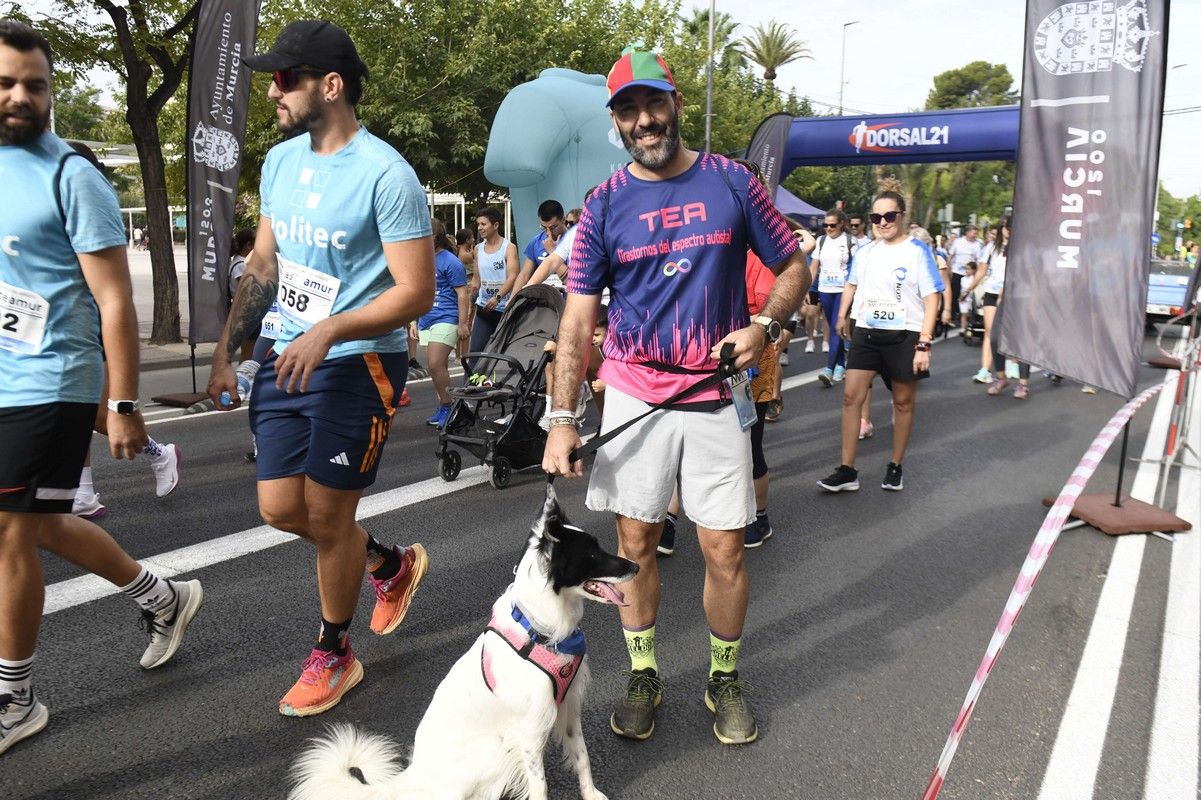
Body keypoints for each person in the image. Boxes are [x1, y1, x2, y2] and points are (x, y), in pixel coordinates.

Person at [542, 44, 809, 746]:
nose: (643, 121)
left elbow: (792, 266)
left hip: (716, 396)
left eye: (652, 104)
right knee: (633, 544)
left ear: (676, 104)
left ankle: (723, 677)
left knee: (723, 550)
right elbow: (576, 320)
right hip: (633, 394)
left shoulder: (732, 182)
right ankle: (644, 673)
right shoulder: (602, 205)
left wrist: (764, 325)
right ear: (618, 120)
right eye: (627, 109)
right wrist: (561, 418)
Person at [206, 19, 434, 717]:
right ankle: (388, 565)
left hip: (357, 362)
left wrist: (330, 328)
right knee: (280, 509)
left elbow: (414, 291)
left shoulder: (386, 175)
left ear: (329, 86)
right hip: (284, 352)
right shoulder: (279, 163)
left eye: (283, 79)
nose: (271, 94)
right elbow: (267, 265)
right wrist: (227, 348)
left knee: (327, 513)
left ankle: (334, 651)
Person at [0, 20, 203, 755]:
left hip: (50, 377)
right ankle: (164, 596)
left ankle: (13, 699)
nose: (23, 96)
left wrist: (121, 403)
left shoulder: (70, 175)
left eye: (35, 84)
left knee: (10, 531)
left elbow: (115, 300)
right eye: (6, 83)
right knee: (43, 524)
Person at [818, 186, 942, 493]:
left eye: (889, 215)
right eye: (876, 216)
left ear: (901, 216)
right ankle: (847, 470)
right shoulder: (865, 251)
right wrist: (842, 316)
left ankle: (895, 465)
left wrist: (924, 343)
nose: (882, 222)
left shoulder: (917, 251)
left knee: (902, 403)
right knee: (850, 397)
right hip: (867, 333)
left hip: (906, 335)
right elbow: (850, 284)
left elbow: (932, 297)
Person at [417, 219, 469, 427]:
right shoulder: (422, 258)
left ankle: (449, 408)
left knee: (434, 363)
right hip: (426, 318)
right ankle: (443, 407)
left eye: (424, 235)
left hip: (447, 317)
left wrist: (463, 323)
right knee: (440, 368)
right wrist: (414, 321)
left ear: (435, 237)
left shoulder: (451, 261)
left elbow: (462, 294)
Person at [466, 206, 518, 374]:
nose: (480, 228)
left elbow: (513, 276)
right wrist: (469, 312)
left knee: (501, 356)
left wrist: (497, 297)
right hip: (483, 309)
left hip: (504, 310)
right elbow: (476, 280)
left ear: (495, 225)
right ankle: (469, 395)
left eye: (483, 224)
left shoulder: (508, 247)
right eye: (478, 224)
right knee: (475, 353)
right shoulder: (478, 249)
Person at [811, 208, 855, 386]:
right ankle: (840, 364)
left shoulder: (849, 242)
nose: (828, 228)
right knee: (831, 324)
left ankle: (829, 368)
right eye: (825, 225)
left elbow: (854, 268)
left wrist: (851, 287)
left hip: (843, 290)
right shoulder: (821, 241)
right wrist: (808, 289)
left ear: (841, 224)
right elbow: (814, 267)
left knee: (838, 326)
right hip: (824, 289)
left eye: (832, 225)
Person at [510, 199, 566, 296]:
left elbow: (573, 279)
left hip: (567, 301)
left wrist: (553, 252)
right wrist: (512, 300)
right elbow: (524, 275)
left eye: (553, 227)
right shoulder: (536, 241)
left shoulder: (574, 240)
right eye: (544, 227)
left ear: (563, 220)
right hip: (543, 302)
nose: (548, 232)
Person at [947, 225, 983, 329]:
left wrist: (977, 275)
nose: (975, 235)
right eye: (973, 232)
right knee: (955, 294)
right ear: (967, 232)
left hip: (970, 274)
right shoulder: (958, 242)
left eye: (976, 233)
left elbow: (978, 260)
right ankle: (953, 316)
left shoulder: (977, 244)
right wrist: (948, 269)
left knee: (967, 295)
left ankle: (966, 316)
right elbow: (951, 255)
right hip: (957, 272)